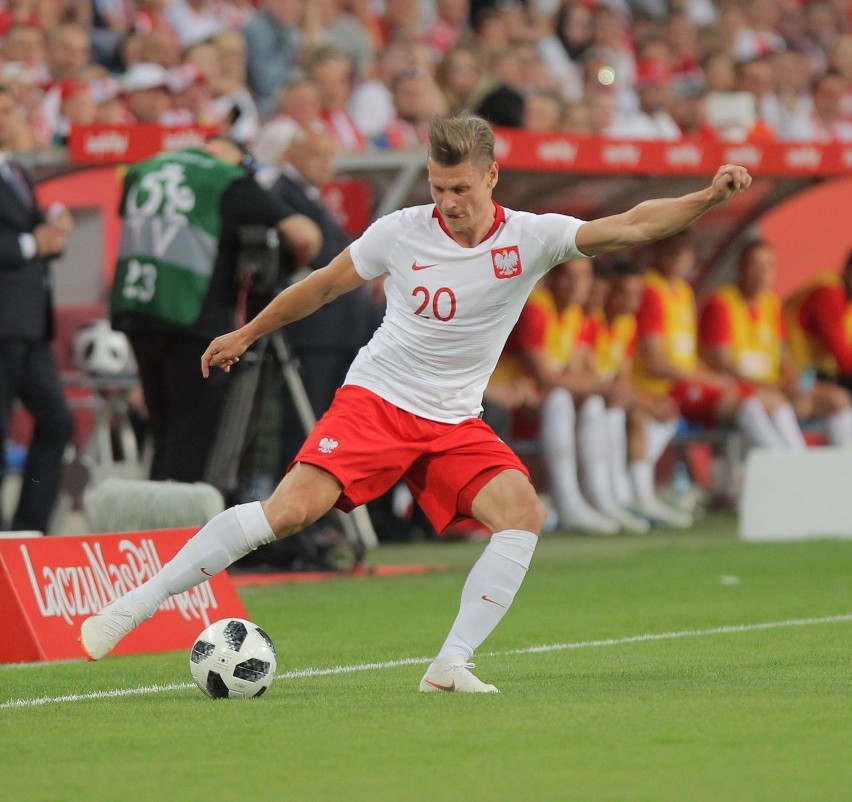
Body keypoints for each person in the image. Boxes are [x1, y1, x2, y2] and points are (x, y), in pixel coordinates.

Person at [82, 114, 754, 692]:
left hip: (454, 418)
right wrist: (247, 332)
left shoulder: (531, 237)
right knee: (288, 512)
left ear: (492, 177)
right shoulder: (401, 232)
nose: (449, 202)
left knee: (522, 514)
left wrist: (708, 196)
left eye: (461, 188)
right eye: (439, 188)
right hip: (377, 401)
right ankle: (133, 607)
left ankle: (449, 665)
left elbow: (634, 226)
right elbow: (321, 286)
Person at [109, 136, 321, 484]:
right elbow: (305, 235)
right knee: (192, 431)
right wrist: (283, 271)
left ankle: (154, 525)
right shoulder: (227, 178)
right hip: (193, 313)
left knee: (162, 427)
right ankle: (180, 529)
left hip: (136, 308)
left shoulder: (143, 170)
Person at [633, 229, 805, 452]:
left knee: (777, 403)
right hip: (662, 389)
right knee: (747, 404)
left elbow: (688, 357)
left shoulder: (684, 291)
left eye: (684, 250)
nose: (677, 256)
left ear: (693, 256)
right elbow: (656, 362)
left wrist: (793, 383)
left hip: (686, 385)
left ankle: (798, 464)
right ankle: (787, 467)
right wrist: (709, 378)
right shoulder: (652, 290)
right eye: (671, 248)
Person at [0, 85, 75, 533]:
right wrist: (33, 242)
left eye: (12, 110)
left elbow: (30, 236)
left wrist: (51, 232)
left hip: (28, 323)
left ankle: (29, 529)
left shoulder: (15, 170)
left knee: (58, 420)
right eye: (3, 110)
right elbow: (21, 241)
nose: (9, 118)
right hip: (4, 322)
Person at [700, 240, 852, 445]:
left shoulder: (771, 305)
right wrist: (776, 386)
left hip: (776, 384)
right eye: (756, 265)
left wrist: (796, 385)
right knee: (772, 405)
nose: (763, 273)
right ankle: (793, 466)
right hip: (737, 387)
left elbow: (783, 356)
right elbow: (722, 365)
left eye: (769, 266)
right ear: (741, 269)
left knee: (838, 400)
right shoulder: (721, 304)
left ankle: (842, 471)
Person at [784, 249, 852, 398]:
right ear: (849, 270)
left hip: (814, 372)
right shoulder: (829, 294)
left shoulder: (846, 299)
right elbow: (844, 359)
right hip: (794, 371)